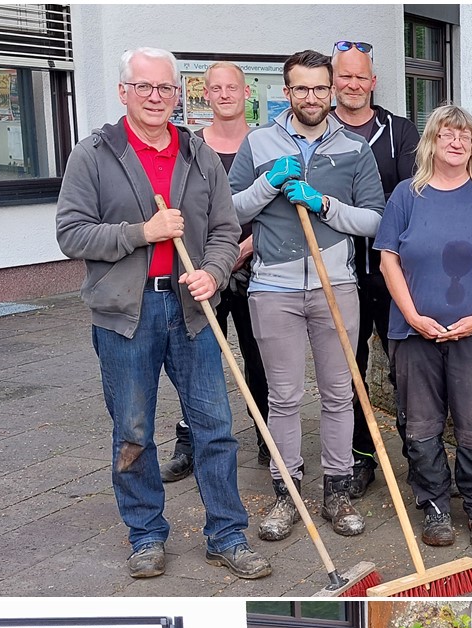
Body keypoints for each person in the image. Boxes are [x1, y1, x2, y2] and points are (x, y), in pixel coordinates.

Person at [56, 47, 270, 581]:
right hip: (125, 314)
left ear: (178, 94)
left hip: (191, 307)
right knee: (133, 431)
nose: (156, 97)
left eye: (166, 88)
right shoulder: (94, 155)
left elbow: (224, 231)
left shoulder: (196, 155)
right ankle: (146, 535)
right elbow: (70, 232)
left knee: (215, 427)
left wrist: (215, 273)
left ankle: (226, 535)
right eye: (145, 87)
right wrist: (140, 234)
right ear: (124, 91)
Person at [229, 49, 386, 542]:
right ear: (287, 91)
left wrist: (324, 205)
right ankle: (286, 492)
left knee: (341, 394)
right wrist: (266, 186)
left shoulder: (355, 147)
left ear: (332, 90)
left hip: (336, 286)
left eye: (321, 88)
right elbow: (230, 211)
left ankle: (337, 490)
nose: (312, 97)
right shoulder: (259, 143)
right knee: (284, 397)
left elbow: (374, 219)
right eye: (302, 88)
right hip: (273, 288)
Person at [374, 104, 472, 550]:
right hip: (414, 332)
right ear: (431, 141)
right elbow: (387, 260)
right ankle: (435, 507)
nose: (456, 142)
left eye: (465, 136)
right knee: (420, 423)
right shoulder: (406, 195)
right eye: (447, 134)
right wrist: (413, 316)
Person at [163, 60, 271, 481]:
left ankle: (267, 434)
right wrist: (213, 262)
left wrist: (243, 249)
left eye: (232, 88)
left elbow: (276, 211)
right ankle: (191, 439)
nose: (224, 95)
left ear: (247, 94)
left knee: (259, 358)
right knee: (197, 360)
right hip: (201, 273)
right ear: (203, 95)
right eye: (216, 88)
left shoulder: (264, 145)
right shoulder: (189, 149)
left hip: (254, 268)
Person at [331, 38, 419, 497]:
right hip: (338, 273)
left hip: (392, 273)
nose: (352, 84)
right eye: (344, 76)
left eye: (360, 76)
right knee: (347, 369)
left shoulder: (399, 131)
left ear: (373, 81)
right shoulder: (317, 133)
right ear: (333, 79)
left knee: (406, 366)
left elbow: (410, 195)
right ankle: (361, 456)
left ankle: (418, 456)